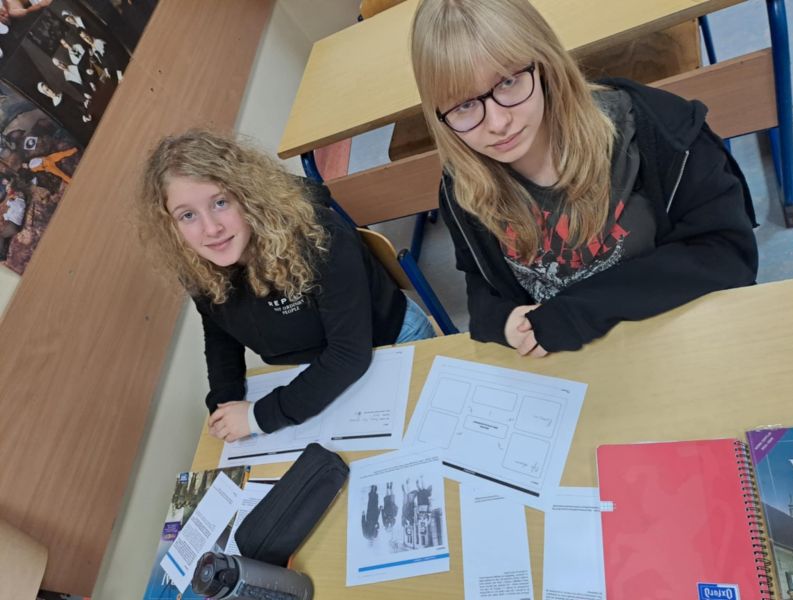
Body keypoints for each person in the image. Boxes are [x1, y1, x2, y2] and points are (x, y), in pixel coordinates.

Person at [410, 0, 757, 356]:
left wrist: (579, 313)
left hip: (675, 339)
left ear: (544, 63)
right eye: (465, 105)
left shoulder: (660, 131)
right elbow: (481, 282)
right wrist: (501, 320)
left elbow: (728, 255)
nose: (498, 123)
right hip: (571, 362)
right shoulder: (463, 187)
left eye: (509, 82)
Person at [138, 130, 434, 443]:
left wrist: (257, 417)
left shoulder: (318, 235)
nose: (211, 229)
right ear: (171, 226)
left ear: (247, 194)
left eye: (220, 202)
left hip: (389, 343)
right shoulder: (197, 264)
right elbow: (220, 333)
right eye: (187, 215)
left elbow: (349, 354)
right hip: (322, 366)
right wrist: (225, 401)